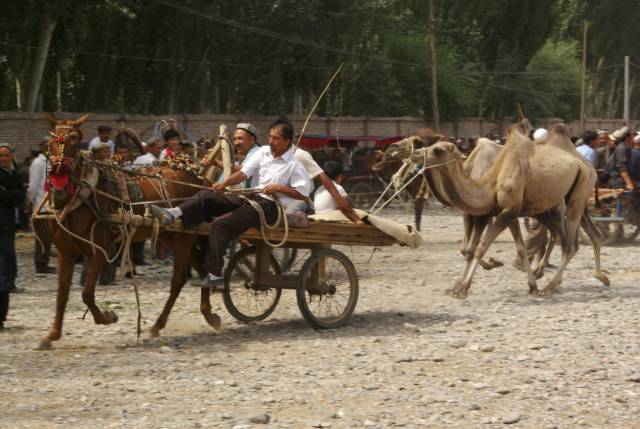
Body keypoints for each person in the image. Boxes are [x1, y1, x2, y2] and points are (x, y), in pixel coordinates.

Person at [148, 118, 311, 288]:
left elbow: (303, 196)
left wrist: (280, 188)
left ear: (287, 141)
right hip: (251, 198)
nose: (271, 141)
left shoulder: (294, 166)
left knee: (220, 224)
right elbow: (243, 173)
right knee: (206, 195)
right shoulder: (263, 152)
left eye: (276, 138)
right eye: (270, 137)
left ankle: (216, 275)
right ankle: (173, 214)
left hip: (270, 208)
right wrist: (224, 184)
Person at [0, 143, 26, 328]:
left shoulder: (14, 174)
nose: (3, 159)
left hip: (7, 225)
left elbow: (21, 195)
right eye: (0, 155)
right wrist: (12, 194)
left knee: (7, 261)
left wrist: (8, 193)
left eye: (6, 155)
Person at [28, 140, 55, 274]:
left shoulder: (49, 162)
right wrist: (30, 201)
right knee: (41, 237)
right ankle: (40, 264)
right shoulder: (38, 163)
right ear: (44, 147)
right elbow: (33, 186)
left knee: (47, 238)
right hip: (40, 206)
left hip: (49, 206)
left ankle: (45, 262)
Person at [605, 127, 635, 193]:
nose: (633, 137)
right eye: (632, 135)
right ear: (627, 138)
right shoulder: (622, 148)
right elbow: (621, 167)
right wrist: (629, 184)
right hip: (618, 182)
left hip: (620, 181)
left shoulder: (625, 147)